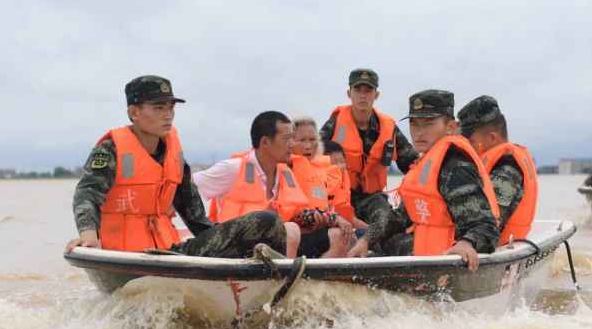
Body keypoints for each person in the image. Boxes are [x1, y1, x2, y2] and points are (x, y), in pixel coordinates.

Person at [66, 76, 286, 258]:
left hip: (169, 253)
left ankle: (275, 288)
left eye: (171, 107)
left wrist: (231, 245)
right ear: (134, 113)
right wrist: (88, 237)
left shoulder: (174, 152)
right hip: (125, 256)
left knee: (267, 222)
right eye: (159, 107)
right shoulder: (111, 148)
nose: (168, 114)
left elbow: (197, 219)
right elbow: (86, 193)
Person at [359, 90, 500, 271]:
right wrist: (367, 239)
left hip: (445, 260)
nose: (419, 132)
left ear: (450, 127)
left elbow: (486, 226)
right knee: (365, 236)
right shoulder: (427, 162)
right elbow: (401, 217)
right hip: (424, 253)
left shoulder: (455, 168)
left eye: (428, 124)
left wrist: (467, 243)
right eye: (414, 124)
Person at [194, 111, 353, 258]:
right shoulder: (233, 169)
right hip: (235, 249)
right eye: (286, 138)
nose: (292, 144)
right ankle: (283, 280)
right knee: (290, 230)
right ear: (265, 142)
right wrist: (204, 230)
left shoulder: (285, 173)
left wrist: (333, 218)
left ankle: (302, 282)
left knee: (338, 236)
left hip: (273, 248)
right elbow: (186, 189)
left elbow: (297, 214)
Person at [320, 68, 420, 256]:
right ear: (349, 93)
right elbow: (313, 156)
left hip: (371, 197)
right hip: (339, 196)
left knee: (384, 215)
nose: (363, 95)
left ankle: (378, 253)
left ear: (376, 95)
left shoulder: (388, 127)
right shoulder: (335, 122)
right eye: (358, 90)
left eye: (368, 90)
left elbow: (412, 162)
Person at [458, 95, 539, 245]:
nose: (466, 147)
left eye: (471, 142)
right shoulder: (495, 163)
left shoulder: (507, 170)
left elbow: (488, 223)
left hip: (496, 247)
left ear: (492, 138)